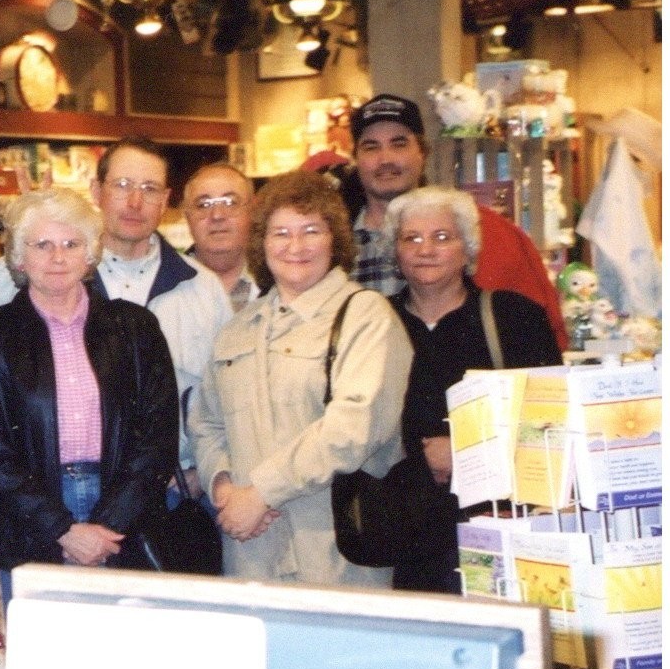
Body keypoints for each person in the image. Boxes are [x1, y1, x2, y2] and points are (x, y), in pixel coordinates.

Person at [0, 136, 231, 500]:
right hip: (44, 497)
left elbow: (225, 400)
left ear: (165, 199)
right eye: (122, 185)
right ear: (96, 190)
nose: (135, 201)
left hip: (176, 489)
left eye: (150, 188)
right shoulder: (12, 277)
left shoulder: (202, 288)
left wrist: (203, 473)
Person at [189, 170, 413, 588]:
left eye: (311, 231)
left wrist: (261, 493)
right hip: (251, 551)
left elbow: (353, 428)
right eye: (280, 233)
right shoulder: (237, 329)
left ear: (334, 240)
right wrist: (224, 489)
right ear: (261, 243)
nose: (295, 246)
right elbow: (206, 424)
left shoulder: (365, 315)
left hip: (333, 553)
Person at [0, 189, 181, 603]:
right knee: (45, 645)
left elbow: (158, 438)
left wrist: (108, 526)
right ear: (19, 258)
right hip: (32, 525)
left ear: (90, 254)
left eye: (71, 244)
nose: (58, 257)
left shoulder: (136, 328)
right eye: (42, 245)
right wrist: (62, 530)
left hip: (125, 523)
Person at [384, 186, 563, 593]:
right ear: (395, 252)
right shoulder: (374, 322)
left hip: (494, 529)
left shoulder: (514, 317)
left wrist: (466, 452)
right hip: (401, 539)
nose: (426, 249)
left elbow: (551, 426)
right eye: (411, 238)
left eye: (442, 237)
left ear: (467, 248)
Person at [347, 93, 568, 352]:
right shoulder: (332, 249)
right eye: (371, 147)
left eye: (399, 144)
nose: (385, 159)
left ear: (422, 153)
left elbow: (541, 334)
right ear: (355, 158)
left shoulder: (491, 233)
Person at [182, 162, 260, 314]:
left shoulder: (279, 281)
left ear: (253, 210)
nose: (217, 215)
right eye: (203, 205)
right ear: (187, 216)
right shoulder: (165, 285)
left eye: (230, 202)